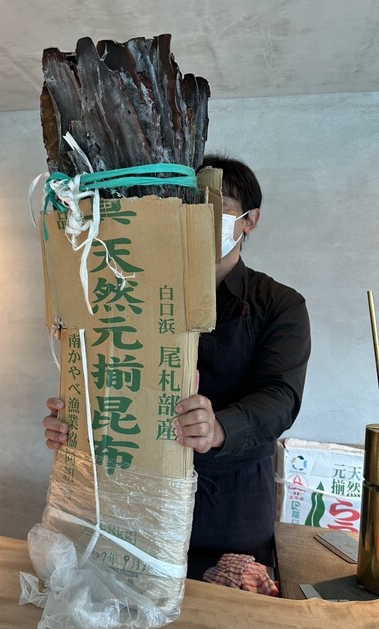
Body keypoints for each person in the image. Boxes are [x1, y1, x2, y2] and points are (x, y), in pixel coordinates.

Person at [42, 154, 311, 581]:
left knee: (225, 607)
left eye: (217, 209)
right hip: (136, 497)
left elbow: (281, 398)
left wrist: (219, 427)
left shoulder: (280, 305)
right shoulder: (134, 293)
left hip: (231, 506)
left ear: (250, 220)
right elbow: (112, 375)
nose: (201, 220)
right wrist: (75, 417)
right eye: (192, 207)